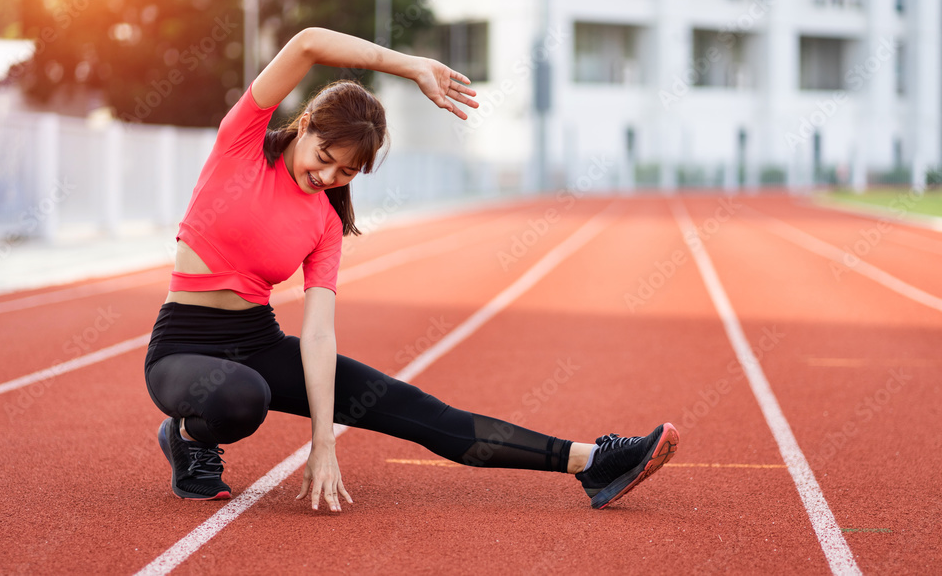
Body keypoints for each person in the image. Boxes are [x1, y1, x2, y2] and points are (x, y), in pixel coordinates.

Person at [144, 27, 679, 512]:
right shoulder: (239, 146)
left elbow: (318, 331)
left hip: (257, 341)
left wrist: (324, 441)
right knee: (241, 397)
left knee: (419, 411)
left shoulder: (325, 223)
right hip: (185, 344)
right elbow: (307, 43)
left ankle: (590, 461)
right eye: (324, 155)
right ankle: (190, 438)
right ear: (304, 125)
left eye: (346, 171)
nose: (327, 175)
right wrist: (411, 65)